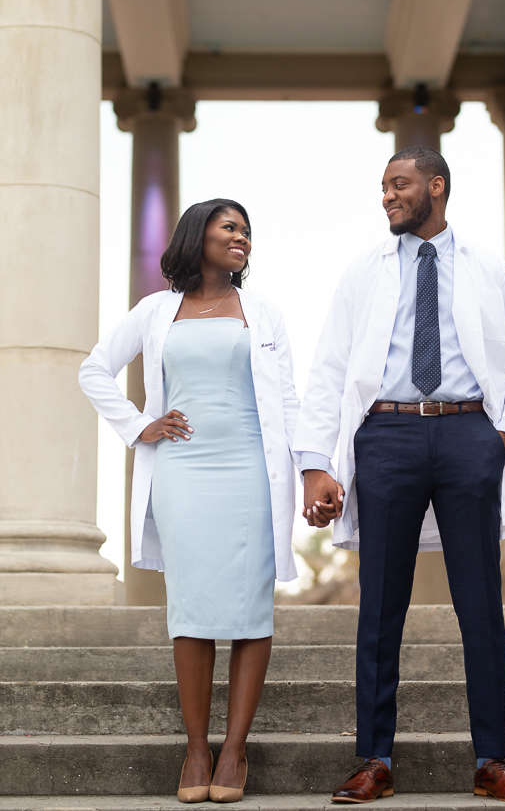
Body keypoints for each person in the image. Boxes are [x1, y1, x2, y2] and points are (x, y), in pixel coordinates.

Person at [293, 147, 505, 804]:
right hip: (387, 434)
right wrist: (316, 464)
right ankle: (374, 759)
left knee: (479, 602)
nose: (387, 196)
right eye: (383, 187)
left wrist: (503, 435)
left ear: (436, 186)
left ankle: (492, 760)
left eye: (399, 184)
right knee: (379, 603)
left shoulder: (487, 270)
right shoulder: (364, 272)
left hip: (470, 433)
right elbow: (328, 369)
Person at [79, 199, 301, 804]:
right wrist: (138, 424)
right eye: (229, 227)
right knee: (193, 607)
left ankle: (234, 749)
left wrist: (309, 468)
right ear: (196, 234)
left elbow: (288, 399)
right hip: (183, 470)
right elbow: (93, 369)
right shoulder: (156, 310)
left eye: (247, 231)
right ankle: (196, 746)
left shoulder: (263, 312)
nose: (241, 238)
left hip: (252, 469)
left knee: (253, 606)